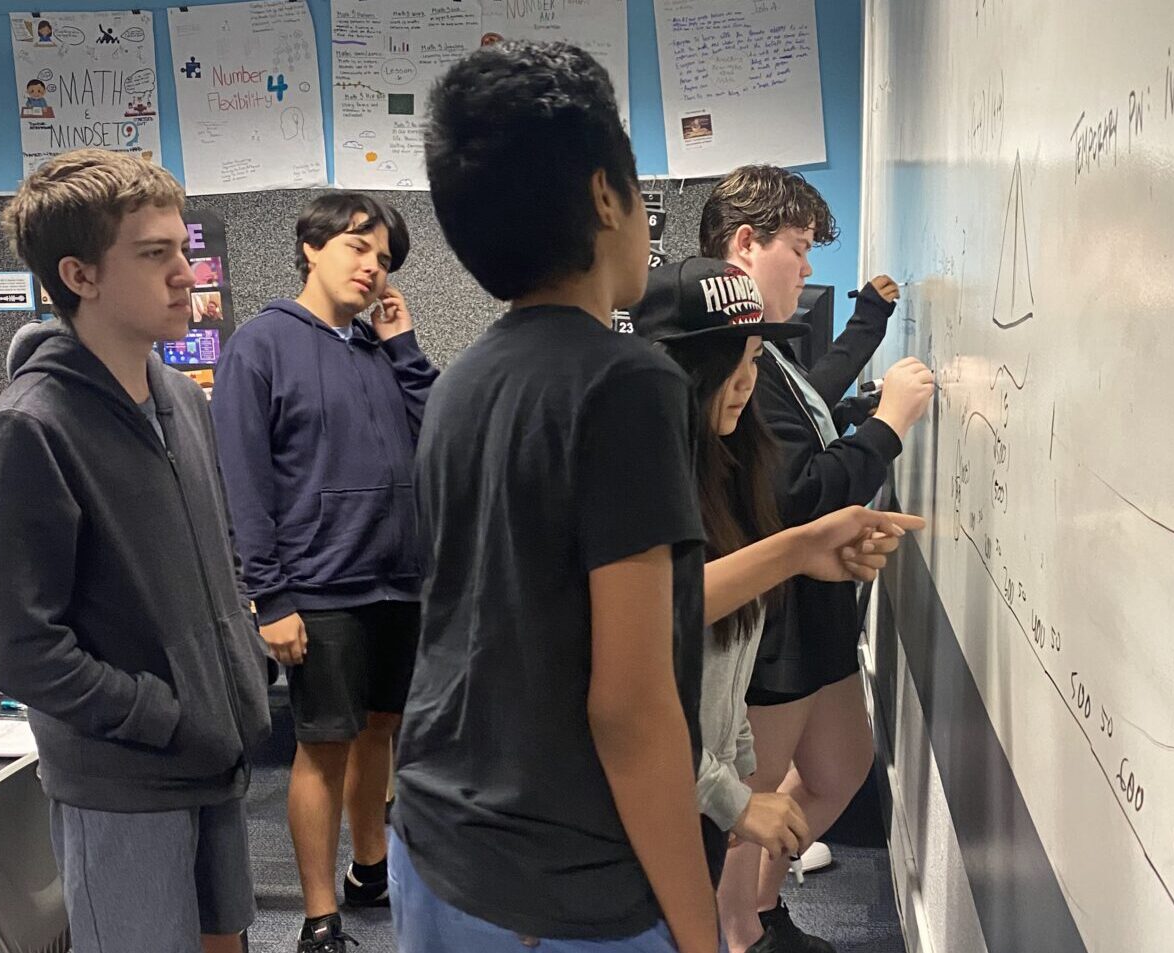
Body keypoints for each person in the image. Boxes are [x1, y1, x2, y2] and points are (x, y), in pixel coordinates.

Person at [391, 42, 918, 953]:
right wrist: (700, 932)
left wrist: (796, 547)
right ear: (606, 197)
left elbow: (601, 617)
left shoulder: (469, 376)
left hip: (441, 847)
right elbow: (629, 708)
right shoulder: (623, 383)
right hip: (565, 884)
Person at [0, 148, 271, 953]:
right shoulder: (30, 428)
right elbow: (23, 650)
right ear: (80, 274)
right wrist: (162, 714)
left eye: (183, 250)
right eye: (155, 254)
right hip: (125, 781)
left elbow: (215, 559)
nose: (186, 273)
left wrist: (243, 671)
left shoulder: (178, 395)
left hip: (215, 755)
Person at [629, 258, 926, 891]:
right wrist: (733, 798)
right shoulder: (641, 489)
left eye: (756, 357)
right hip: (635, 824)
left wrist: (731, 780)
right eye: (724, 364)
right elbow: (626, 682)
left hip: (691, 800)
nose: (743, 380)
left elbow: (719, 654)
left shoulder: (720, 474)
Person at [700, 165, 935, 953]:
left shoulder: (766, 350)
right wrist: (890, 424)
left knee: (840, 766)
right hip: (771, 616)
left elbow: (815, 392)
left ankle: (758, 911)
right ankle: (740, 929)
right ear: (744, 244)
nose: (806, 269)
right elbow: (799, 492)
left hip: (815, 603)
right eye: (796, 250)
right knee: (750, 794)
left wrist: (871, 320)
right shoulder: (723, 353)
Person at [212, 191, 436, 953]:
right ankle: (318, 915)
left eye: (384, 259)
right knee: (324, 743)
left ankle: (369, 867)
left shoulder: (378, 350)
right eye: (356, 247)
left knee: (382, 729)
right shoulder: (261, 343)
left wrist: (404, 346)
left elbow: (433, 434)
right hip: (318, 586)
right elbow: (243, 482)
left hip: (396, 579)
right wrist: (269, 595)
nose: (372, 267)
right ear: (310, 246)